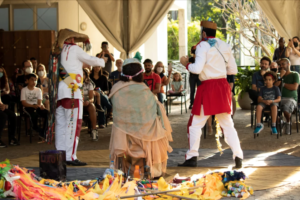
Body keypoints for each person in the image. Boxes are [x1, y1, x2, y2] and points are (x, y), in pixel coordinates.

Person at [178, 20, 243, 168]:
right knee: (228, 125)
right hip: (222, 86)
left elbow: (196, 69)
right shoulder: (224, 45)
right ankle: (238, 157)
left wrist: (185, 63)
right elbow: (232, 70)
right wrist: (217, 70)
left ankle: (192, 157)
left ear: (204, 33)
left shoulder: (202, 45)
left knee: (194, 125)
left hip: (208, 87)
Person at [109, 56, 173, 178]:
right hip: (145, 133)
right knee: (156, 124)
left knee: (122, 130)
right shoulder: (143, 89)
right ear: (140, 72)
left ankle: (125, 171)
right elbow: (152, 110)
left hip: (123, 135)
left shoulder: (116, 88)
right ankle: (149, 170)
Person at [54, 29, 106, 166]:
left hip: (59, 92)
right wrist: (102, 61)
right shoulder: (74, 49)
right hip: (72, 91)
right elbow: (90, 60)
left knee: (61, 125)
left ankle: (60, 154)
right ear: (72, 39)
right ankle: (70, 157)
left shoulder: (56, 51)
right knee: (72, 125)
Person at [275, 58, 300, 134]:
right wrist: (280, 77)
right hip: (278, 98)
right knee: (270, 107)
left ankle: (288, 123)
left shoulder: (295, 74)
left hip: (291, 99)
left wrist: (283, 84)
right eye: (280, 64)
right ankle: (281, 122)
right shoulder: (278, 76)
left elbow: (294, 87)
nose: (281, 66)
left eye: (283, 64)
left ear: (289, 64)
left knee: (286, 109)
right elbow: (274, 87)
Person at [21, 73, 48, 141]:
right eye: (32, 80)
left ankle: (44, 132)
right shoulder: (24, 90)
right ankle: (40, 131)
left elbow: (39, 101)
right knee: (34, 116)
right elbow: (23, 103)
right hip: (28, 107)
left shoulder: (38, 90)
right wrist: (32, 106)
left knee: (47, 113)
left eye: (35, 80)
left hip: (36, 106)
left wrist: (41, 106)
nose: (34, 82)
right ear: (27, 81)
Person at [82, 68, 98, 141]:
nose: (82, 76)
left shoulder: (89, 84)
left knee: (92, 106)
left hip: (86, 102)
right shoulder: (73, 83)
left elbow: (92, 98)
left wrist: (88, 101)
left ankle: (94, 130)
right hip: (76, 103)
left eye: (83, 74)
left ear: (86, 75)